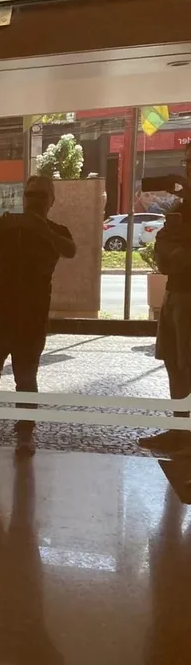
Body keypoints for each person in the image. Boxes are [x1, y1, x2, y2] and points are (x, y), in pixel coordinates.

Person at [0, 174, 76, 449]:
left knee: (26, 375)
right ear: (24, 197)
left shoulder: (57, 230)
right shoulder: (9, 225)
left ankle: (25, 431)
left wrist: (42, 229)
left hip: (31, 316)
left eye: (40, 195)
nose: (34, 200)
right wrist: (0, 226)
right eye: (30, 194)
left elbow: (70, 250)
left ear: (51, 200)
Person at [141, 142, 191, 454]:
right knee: (174, 361)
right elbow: (164, 249)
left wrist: (176, 252)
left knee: (186, 363)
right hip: (177, 291)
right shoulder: (184, 206)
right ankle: (180, 429)